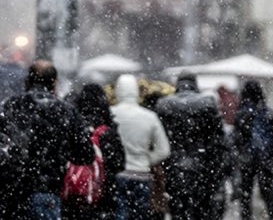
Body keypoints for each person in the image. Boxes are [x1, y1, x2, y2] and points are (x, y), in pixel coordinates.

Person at [0, 60, 94, 219]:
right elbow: (85, 155)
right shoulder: (66, 112)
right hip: (47, 191)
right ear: (54, 83)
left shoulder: (10, 106)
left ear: (27, 81)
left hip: (11, 192)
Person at [155, 73, 229, 220]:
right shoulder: (208, 103)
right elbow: (219, 141)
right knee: (201, 210)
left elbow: (159, 139)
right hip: (203, 167)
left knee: (178, 211)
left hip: (174, 166)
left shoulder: (164, 104)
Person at [111, 74, 171, 220]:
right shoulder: (150, 117)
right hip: (142, 174)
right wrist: (145, 159)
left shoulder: (111, 113)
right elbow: (164, 150)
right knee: (140, 215)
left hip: (118, 174)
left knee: (120, 213)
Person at [63, 83, 126, 219]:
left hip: (75, 193)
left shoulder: (74, 127)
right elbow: (119, 164)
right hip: (102, 195)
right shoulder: (108, 132)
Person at [234, 80, 273, 220]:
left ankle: (246, 217)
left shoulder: (241, 113)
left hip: (247, 159)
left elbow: (237, 139)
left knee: (246, 195)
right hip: (265, 158)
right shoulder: (267, 112)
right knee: (268, 193)